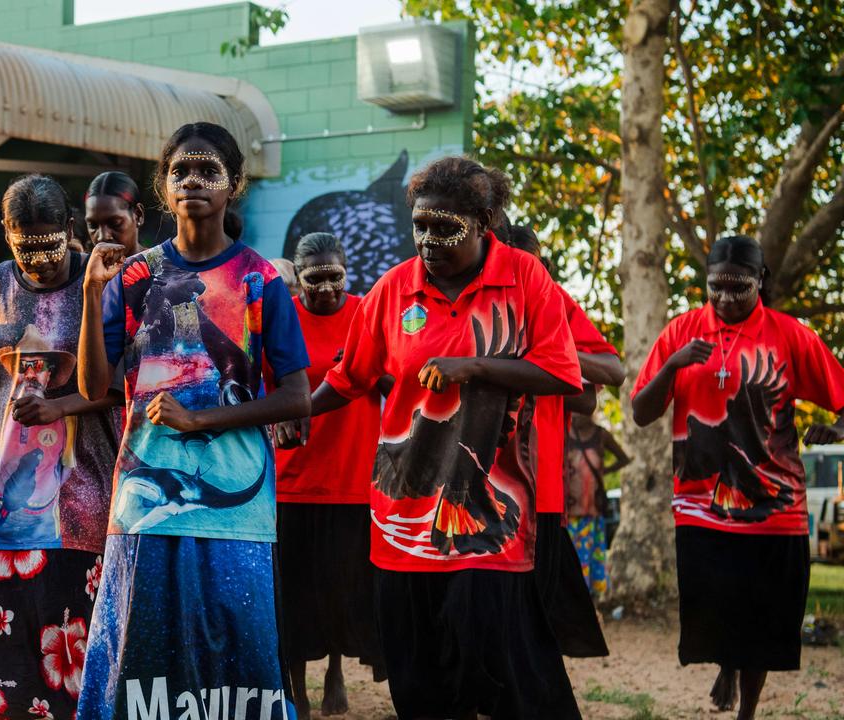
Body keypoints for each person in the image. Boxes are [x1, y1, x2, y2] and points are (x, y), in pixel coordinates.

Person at [310, 156, 583, 719]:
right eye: (420, 225)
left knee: (502, 677)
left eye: (445, 227)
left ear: (484, 221)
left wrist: (474, 367)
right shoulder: (392, 290)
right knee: (419, 683)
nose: (428, 240)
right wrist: (291, 414)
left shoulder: (526, 279)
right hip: (400, 523)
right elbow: (349, 377)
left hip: (490, 523)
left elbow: (562, 373)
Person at [74, 122, 310, 719]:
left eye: (209, 170)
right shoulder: (132, 276)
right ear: (164, 185)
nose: (194, 182)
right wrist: (88, 295)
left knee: (239, 673)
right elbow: (93, 388)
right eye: (180, 171)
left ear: (234, 184)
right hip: (144, 502)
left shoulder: (258, 279)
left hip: (237, 510)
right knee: (142, 669)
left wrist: (204, 418)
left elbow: (296, 397)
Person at [0, 174, 122, 720]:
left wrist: (61, 406)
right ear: (6, 234)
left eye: (48, 244)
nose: (37, 260)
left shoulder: (102, 282)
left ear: (69, 230)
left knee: (72, 658)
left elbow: (128, 382)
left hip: (82, 500)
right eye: (23, 245)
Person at [631, 234, 844, 720]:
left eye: (738, 288)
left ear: (760, 282)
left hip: (774, 506)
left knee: (763, 625)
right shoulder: (682, 330)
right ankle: (727, 662)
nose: (725, 298)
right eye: (716, 288)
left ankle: (747, 711)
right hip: (698, 505)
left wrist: (833, 427)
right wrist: (673, 364)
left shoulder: (790, 335)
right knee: (716, 613)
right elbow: (642, 412)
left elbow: (842, 399)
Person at [270, 232, 385, 717]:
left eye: (334, 277)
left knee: (343, 585)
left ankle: (336, 670)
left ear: (346, 272)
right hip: (291, 477)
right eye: (314, 279)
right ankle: (294, 682)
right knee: (293, 589)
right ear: (298, 278)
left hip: (353, 472)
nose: (325, 289)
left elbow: (385, 374)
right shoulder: (284, 316)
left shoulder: (364, 312)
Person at [502, 223, 622, 659]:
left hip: (541, 495)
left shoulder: (554, 302)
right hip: (472, 486)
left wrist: (553, 345)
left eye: (526, 265)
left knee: (535, 622)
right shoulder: (469, 299)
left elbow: (604, 379)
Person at [562, 410, 629, 597]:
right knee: (572, 570)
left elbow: (623, 458)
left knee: (591, 568)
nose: (575, 413)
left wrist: (603, 471)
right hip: (569, 516)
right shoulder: (565, 432)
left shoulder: (601, 435)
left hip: (593, 514)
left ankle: (590, 607)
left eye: (580, 408)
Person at [84, 171, 145, 256]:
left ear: (138, 215)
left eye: (115, 223)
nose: (102, 236)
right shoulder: (82, 267)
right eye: (92, 225)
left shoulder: (163, 266)